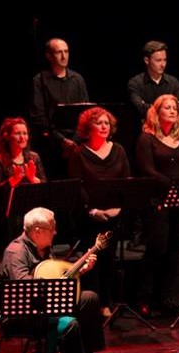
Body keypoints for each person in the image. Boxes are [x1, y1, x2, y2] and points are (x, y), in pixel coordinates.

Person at [0, 207, 112, 353]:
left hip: (45, 306)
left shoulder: (43, 248)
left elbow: (55, 278)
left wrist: (80, 271)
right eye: (52, 228)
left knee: (89, 298)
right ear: (38, 231)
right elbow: (24, 287)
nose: (56, 232)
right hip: (23, 314)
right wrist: (55, 284)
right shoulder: (15, 252)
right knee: (70, 324)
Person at [135, 94, 179, 314]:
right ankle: (145, 296)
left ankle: (166, 297)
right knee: (157, 248)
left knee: (174, 250)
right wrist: (172, 185)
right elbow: (148, 170)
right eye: (167, 108)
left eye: (175, 108)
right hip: (158, 201)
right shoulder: (147, 138)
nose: (172, 111)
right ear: (157, 112)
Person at [68, 107, 132, 315]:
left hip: (113, 216)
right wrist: (93, 210)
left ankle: (107, 302)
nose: (104, 126)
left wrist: (118, 208)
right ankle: (92, 303)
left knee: (109, 261)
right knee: (91, 262)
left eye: (107, 123)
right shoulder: (79, 152)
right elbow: (77, 187)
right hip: (90, 217)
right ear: (89, 128)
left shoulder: (118, 150)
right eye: (99, 123)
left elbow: (126, 181)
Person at [29, 38, 89, 178]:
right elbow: (38, 117)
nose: (64, 56)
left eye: (66, 51)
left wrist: (74, 141)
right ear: (49, 56)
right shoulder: (40, 80)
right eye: (59, 52)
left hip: (77, 142)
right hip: (52, 144)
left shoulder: (77, 79)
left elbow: (86, 112)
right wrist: (61, 140)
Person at [0, 117, 47, 253]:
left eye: (25, 133)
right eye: (18, 133)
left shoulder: (33, 157)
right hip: (10, 216)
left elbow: (45, 184)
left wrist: (33, 178)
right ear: (7, 136)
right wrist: (13, 180)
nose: (22, 137)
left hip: (32, 212)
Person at [128, 41, 179, 119]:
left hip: (170, 129)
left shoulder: (173, 82)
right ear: (147, 60)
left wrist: (148, 106)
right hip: (145, 128)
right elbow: (140, 109)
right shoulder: (135, 83)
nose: (163, 64)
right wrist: (166, 110)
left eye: (164, 60)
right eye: (158, 60)